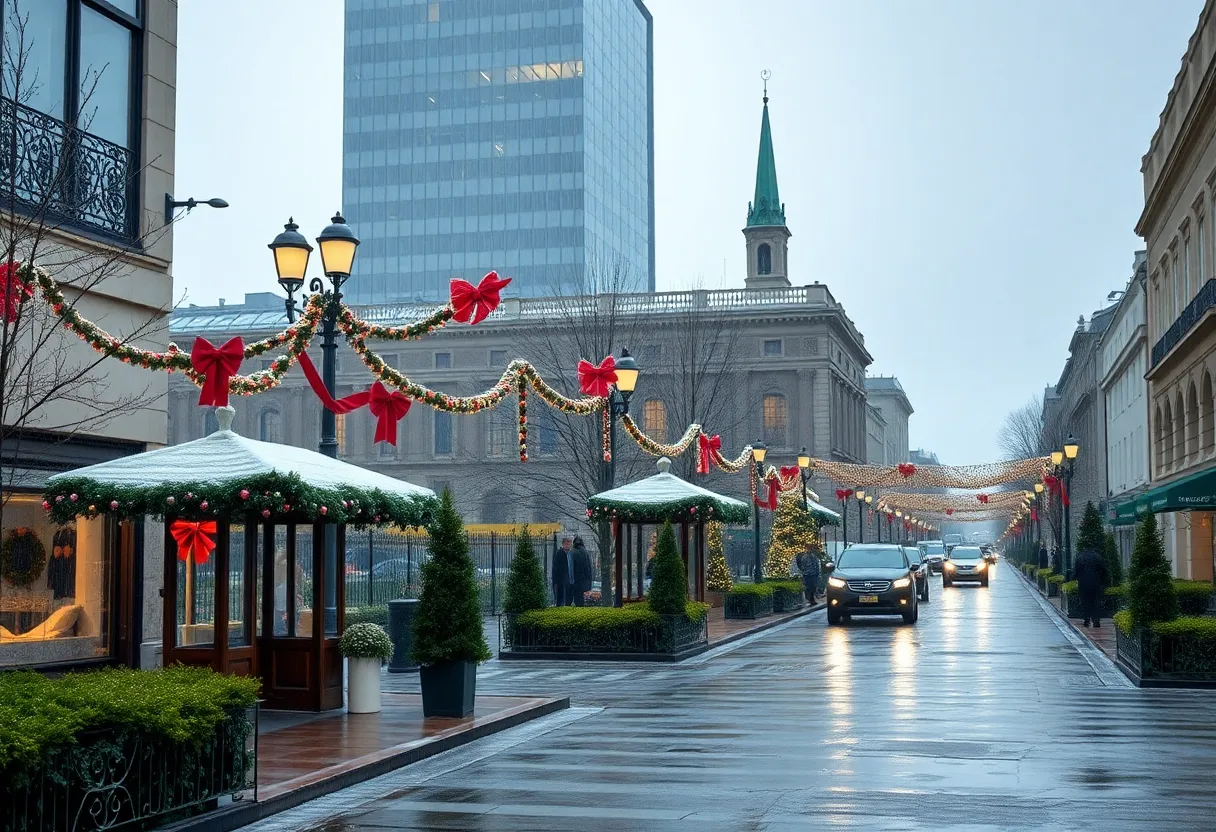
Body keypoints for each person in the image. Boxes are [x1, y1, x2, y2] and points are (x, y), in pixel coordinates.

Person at [1074, 544, 1110, 628]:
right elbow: (1104, 570)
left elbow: (1076, 571)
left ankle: (1086, 619)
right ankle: (1096, 620)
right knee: (1095, 601)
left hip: (1083, 583)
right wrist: (1103, 580)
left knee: (1085, 601)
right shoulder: (1097, 557)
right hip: (1096, 582)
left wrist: (1076, 579)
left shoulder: (1080, 557)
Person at [571, 536, 593, 607]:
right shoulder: (586, 553)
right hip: (584, 582)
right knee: (580, 601)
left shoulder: (572, 552)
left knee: (573, 601)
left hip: (574, 582)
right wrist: (589, 584)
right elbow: (589, 569)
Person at [552, 537, 574, 606]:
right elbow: (555, 568)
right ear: (563, 544)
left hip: (568, 579)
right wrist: (555, 581)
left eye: (569, 543)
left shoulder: (571, 553)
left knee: (567, 597)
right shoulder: (560, 553)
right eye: (566, 543)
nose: (568, 545)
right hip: (561, 580)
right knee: (561, 597)